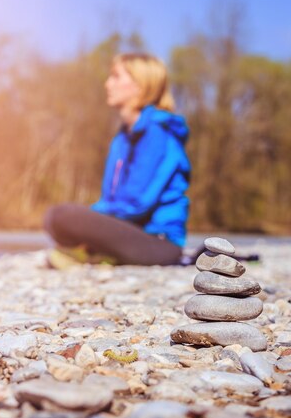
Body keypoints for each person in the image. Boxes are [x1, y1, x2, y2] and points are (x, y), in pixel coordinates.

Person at [44, 52, 191, 266]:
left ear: (140, 85)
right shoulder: (122, 138)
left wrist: (91, 217)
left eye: (115, 76)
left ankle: (96, 253)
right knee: (55, 218)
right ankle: (99, 254)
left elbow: (137, 203)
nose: (107, 84)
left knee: (62, 216)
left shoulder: (156, 133)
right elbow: (113, 199)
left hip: (159, 243)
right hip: (132, 232)